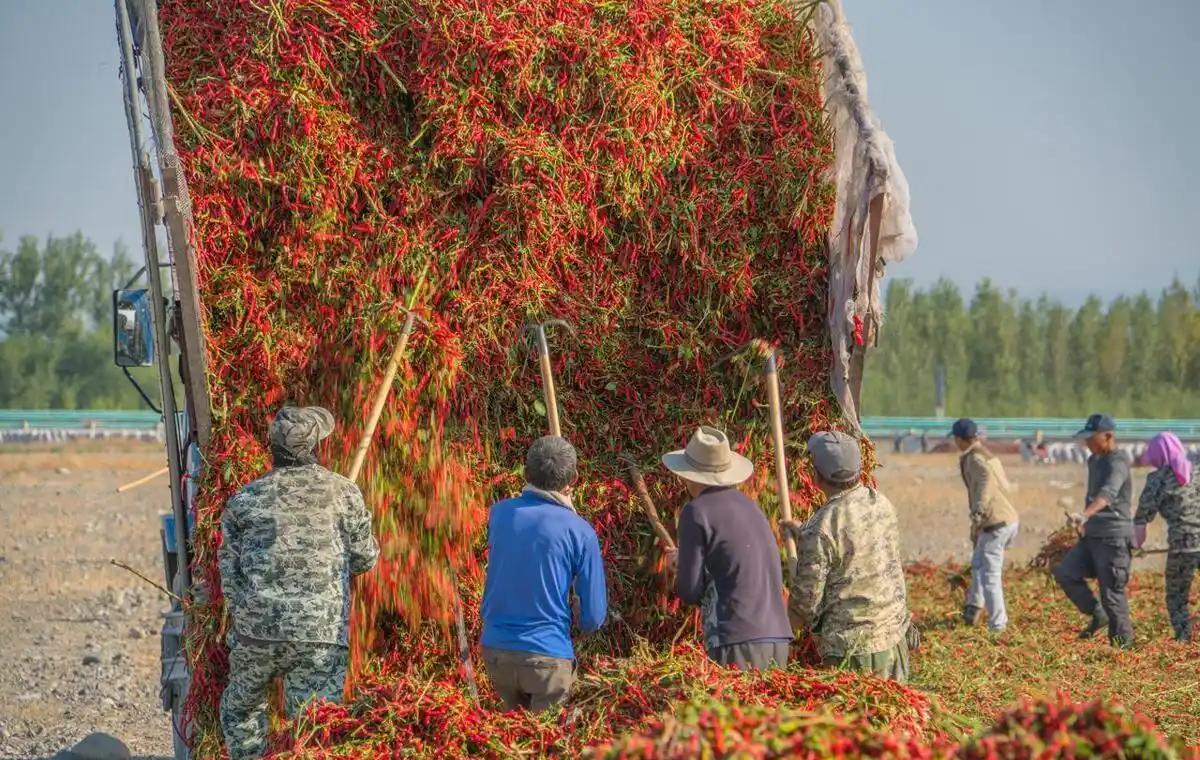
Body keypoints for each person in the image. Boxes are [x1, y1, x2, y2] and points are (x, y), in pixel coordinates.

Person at [219, 406, 379, 760]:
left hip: (255, 634)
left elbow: (229, 573)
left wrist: (248, 616)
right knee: (313, 725)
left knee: (242, 710)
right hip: (319, 634)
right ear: (315, 449)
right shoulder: (344, 492)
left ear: (272, 449)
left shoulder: (244, 500)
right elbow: (365, 559)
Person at [480, 436, 607, 712]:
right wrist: (579, 618)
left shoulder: (498, 514)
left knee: (505, 738)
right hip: (548, 659)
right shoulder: (581, 531)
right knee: (544, 743)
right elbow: (593, 617)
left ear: (525, 474)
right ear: (573, 479)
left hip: (495, 654)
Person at [661, 426, 792, 670]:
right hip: (778, 637)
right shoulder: (750, 506)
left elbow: (689, 591)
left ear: (688, 475)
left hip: (736, 639)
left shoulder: (696, 512)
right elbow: (736, 562)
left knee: (736, 707)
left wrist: (679, 567)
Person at [784, 431, 912, 681]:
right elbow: (858, 542)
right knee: (893, 717)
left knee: (857, 719)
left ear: (816, 476)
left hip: (854, 653)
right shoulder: (880, 502)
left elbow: (805, 604)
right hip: (894, 638)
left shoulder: (822, 528)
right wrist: (805, 533)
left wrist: (782, 638)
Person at [1052, 413, 1135, 647]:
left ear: (1108, 436)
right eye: (1085, 438)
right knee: (1065, 572)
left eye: (1091, 438)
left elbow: (1108, 493)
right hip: (1092, 535)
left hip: (1113, 536)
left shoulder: (1117, 462)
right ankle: (1097, 614)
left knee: (1112, 594)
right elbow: (1092, 494)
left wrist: (1085, 514)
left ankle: (1122, 647)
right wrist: (1084, 523)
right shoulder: (1094, 461)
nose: (1087, 443)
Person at [951, 418, 1020, 632]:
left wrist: (978, 511)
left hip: (996, 522)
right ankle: (973, 607)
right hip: (1003, 519)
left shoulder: (976, 459)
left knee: (990, 575)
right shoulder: (982, 453)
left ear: (960, 439)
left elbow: (986, 480)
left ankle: (998, 624)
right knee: (979, 563)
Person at [1133, 432, 1200, 641]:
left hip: (1182, 549)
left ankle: (1184, 639)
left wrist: (1134, 546)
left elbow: (1140, 524)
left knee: (1177, 598)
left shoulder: (1156, 480)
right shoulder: (1198, 471)